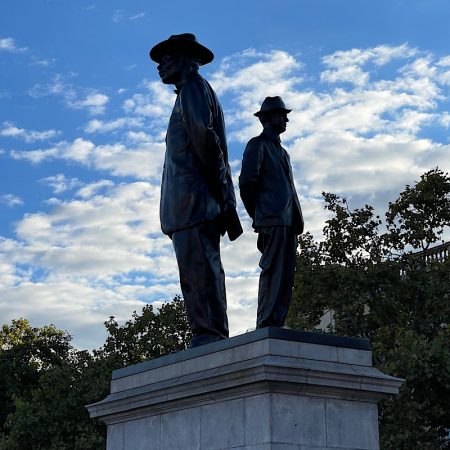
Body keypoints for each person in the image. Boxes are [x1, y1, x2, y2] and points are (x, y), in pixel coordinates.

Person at [149, 33, 242, 348]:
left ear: (187, 59)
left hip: (195, 203)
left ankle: (208, 333)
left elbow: (206, 141)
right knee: (198, 272)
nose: (161, 65)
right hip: (191, 204)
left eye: (167, 58)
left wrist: (224, 199)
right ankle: (207, 331)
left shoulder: (193, 89)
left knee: (199, 272)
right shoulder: (189, 93)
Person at [239, 96, 304, 329]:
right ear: (266, 119)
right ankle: (266, 321)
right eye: (280, 114)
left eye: (285, 114)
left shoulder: (283, 152)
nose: (285, 118)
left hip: (289, 220)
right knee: (272, 271)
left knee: (286, 275)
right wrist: (259, 214)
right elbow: (247, 182)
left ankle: (277, 321)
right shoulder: (257, 145)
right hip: (271, 218)